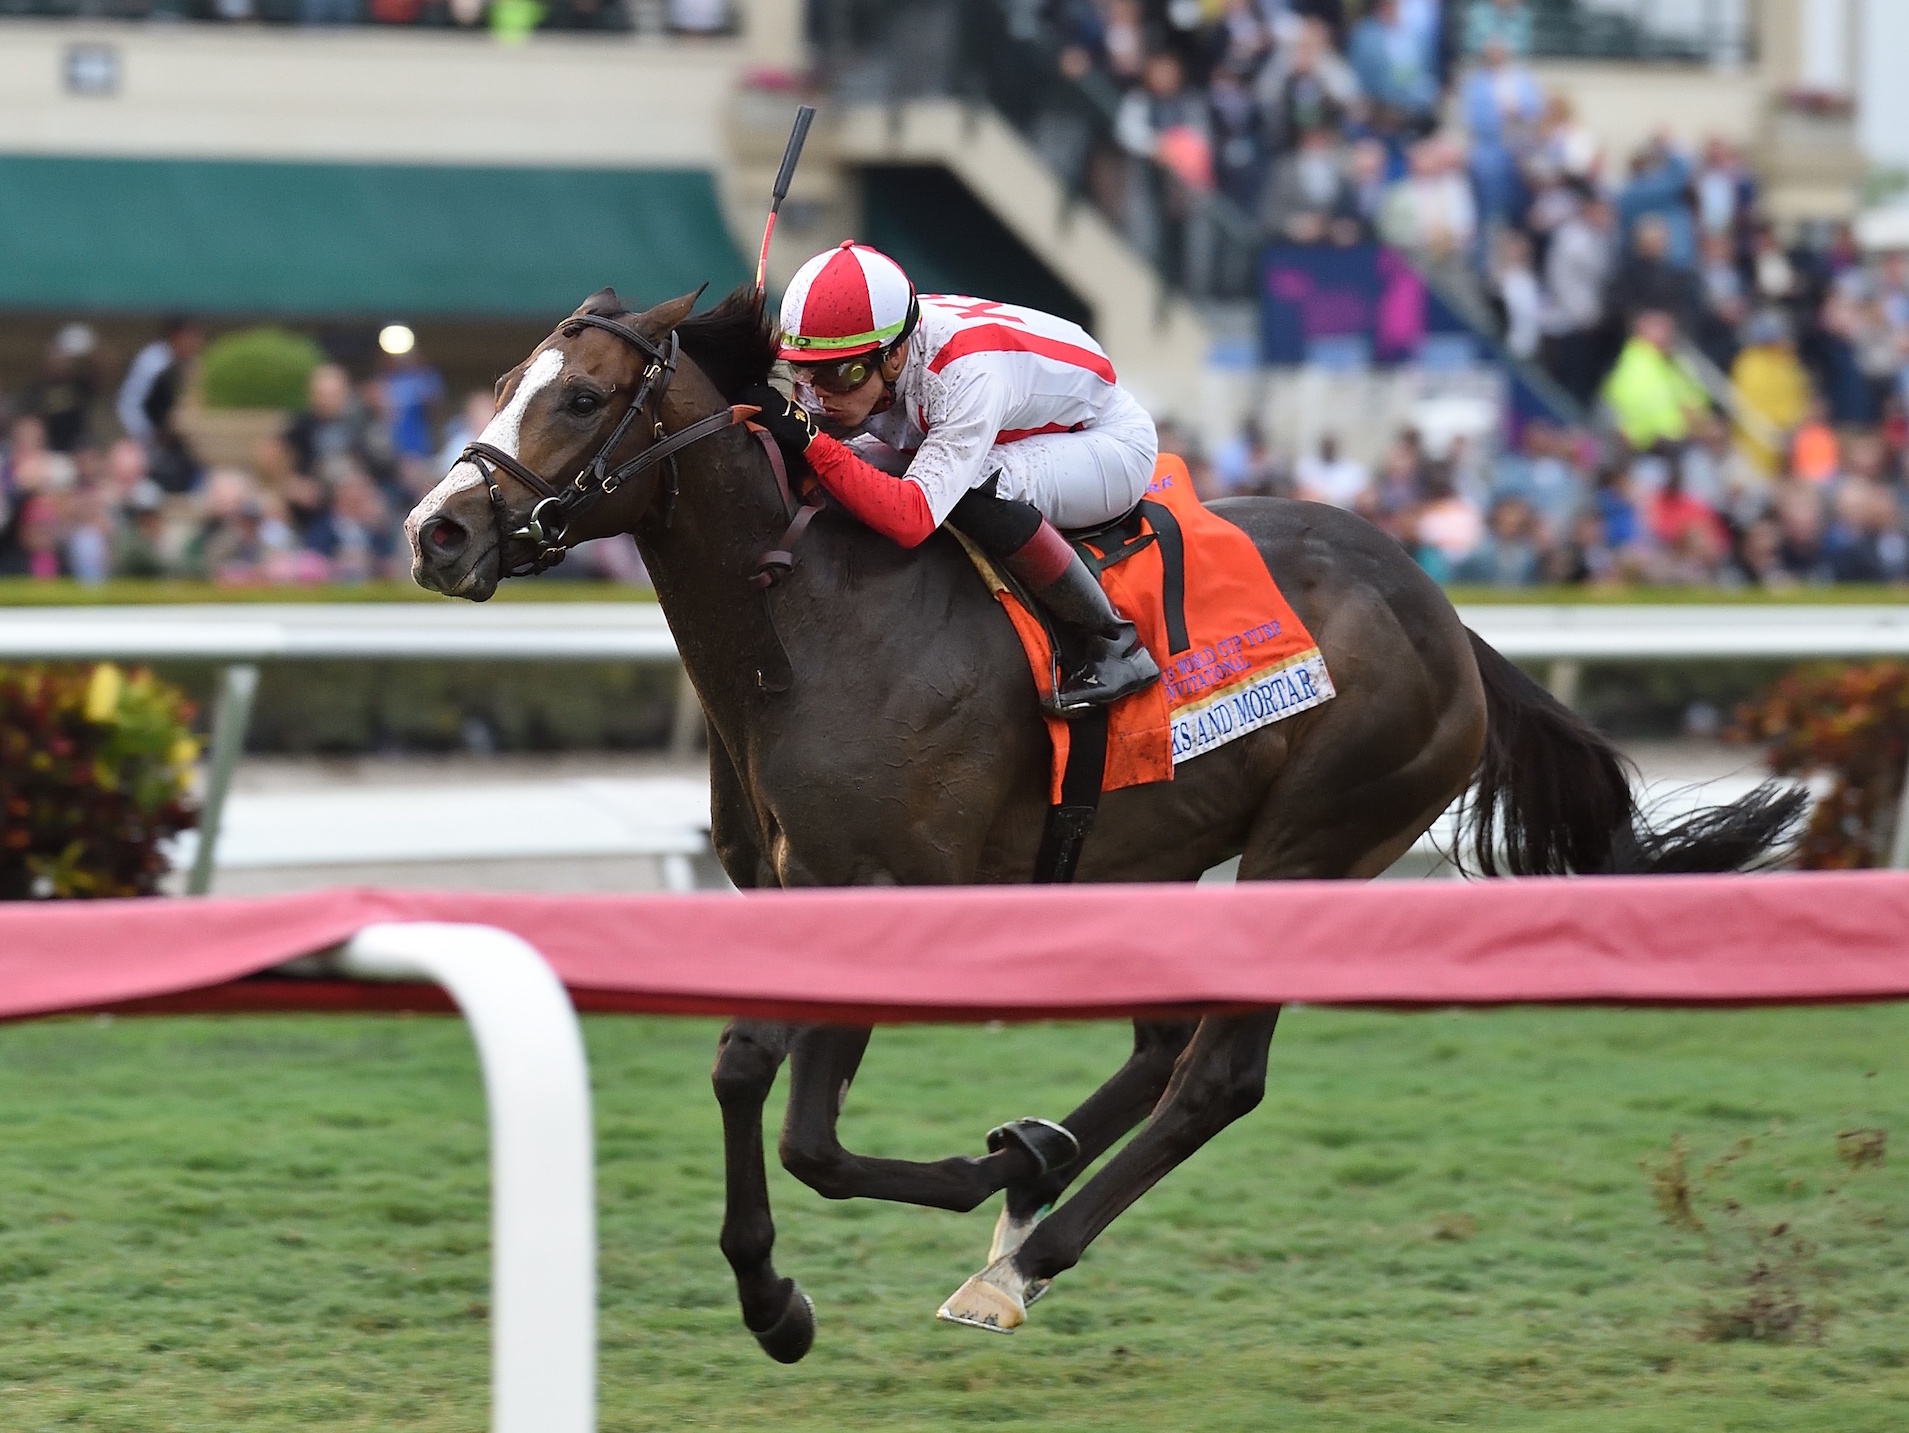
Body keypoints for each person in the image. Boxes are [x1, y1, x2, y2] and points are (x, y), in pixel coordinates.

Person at [741, 241, 1161, 716]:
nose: (818, 394)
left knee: (965, 486)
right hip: (1007, 422)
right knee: (856, 465)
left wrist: (811, 440)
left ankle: (1113, 642)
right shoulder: (866, 357)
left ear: (894, 357)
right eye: (804, 372)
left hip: (1107, 443)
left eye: (841, 375)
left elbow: (912, 517)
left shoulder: (964, 375)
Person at [115, 316, 204, 494]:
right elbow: (128, 403)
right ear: (177, 336)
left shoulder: (186, 362)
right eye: (191, 335)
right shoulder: (153, 361)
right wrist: (147, 435)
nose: (196, 341)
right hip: (149, 444)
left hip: (173, 441)